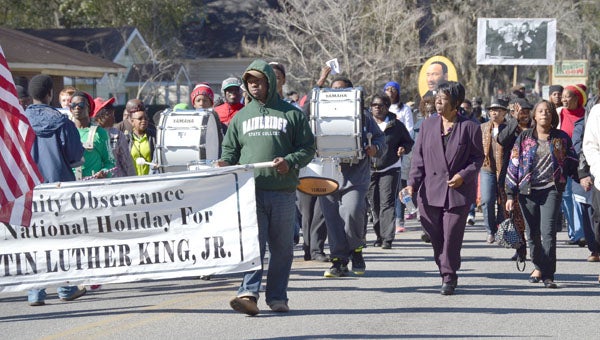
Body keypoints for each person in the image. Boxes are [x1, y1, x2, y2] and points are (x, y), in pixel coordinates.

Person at [217, 59, 315, 316]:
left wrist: (290, 161)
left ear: (270, 82)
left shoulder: (291, 113)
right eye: (250, 82)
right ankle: (248, 294)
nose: (254, 86)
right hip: (251, 192)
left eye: (258, 81)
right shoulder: (241, 118)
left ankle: (277, 297)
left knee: (282, 248)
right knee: (253, 245)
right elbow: (230, 149)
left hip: (282, 191)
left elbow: (308, 148)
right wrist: (225, 162)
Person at [404, 81, 484, 295]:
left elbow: (478, 158)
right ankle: (444, 269)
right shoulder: (428, 125)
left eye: (443, 99)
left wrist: (463, 176)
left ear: (456, 103)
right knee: (436, 236)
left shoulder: (470, 127)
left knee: (451, 237)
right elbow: (418, 158)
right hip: (430, 191)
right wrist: (412, 184)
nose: (438, 102)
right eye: (436, 98)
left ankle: (449, 276)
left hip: (457, 192)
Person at [23, 74, 86, 306]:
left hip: (28, 189)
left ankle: (35, 292)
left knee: (32, 241)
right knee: (59, 239)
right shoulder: (63, 122)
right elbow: (75, 157)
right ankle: (65, 287)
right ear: (50, 93)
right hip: (58, 187)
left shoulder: (18, 121)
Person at [505, 100, 578, 289]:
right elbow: (514, 164)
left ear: (552, 115)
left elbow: (572, 161)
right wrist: (510, 195)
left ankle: (548, 275)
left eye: (547, 111)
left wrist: (583, 177)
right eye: (540, 111)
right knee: (532, 234)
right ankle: (537, 266)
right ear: (535, 116)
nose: (544, 113)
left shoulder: (561, 138)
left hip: (552, 190)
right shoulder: (524, 138)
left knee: (549, 234)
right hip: (527, 192)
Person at [320, 76, 384, 278]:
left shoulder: (363, 115)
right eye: (333, 90)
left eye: (342, 90)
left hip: (355, 173)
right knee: (332, 219)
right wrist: (319, 84)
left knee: (352, 211)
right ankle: (338, 260)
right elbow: (304, 114)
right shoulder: (320, 112)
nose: (336, 94)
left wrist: (376, 148)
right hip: (328, 173)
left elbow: (381, 139)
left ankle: (356, 250)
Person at [368, 93, 413, 249]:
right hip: (369, 170)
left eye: (380, 106)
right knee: (374, 204)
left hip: (390, 168)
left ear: (387, 107)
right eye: (374, 105)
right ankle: (379, 235)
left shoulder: (396, 125)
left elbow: (408, 142)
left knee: (387, 203)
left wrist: (403, 148)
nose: (377, 109)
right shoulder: (365, 124)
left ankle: (387, 238)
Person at [496, 98, 533, 263]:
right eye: (519, 111)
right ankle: (521, 248)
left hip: (532, 178)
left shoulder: (537, 128)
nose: (523, 114)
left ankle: (536, 248)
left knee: (531, 216)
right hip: (510, 178)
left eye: (526, 111)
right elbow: (502, 140)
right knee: (514, 215)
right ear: (512, 112)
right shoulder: (507, 127)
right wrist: (514, 121)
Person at [383, 81, 415, 231]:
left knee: (400, 185)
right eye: (387, 89)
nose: (390, 92)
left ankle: (400, 220)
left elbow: (409, 130)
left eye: (393, 89)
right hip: (384, 153)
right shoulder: (381, 109)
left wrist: (403, 146)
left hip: (400, 151)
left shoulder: (405, 109)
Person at [558, 84, 587, 246]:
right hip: (562, 162)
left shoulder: (586, 115)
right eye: (562, 96)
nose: (564, 99)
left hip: (582, 162)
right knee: (567, 196)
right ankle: (575, 232)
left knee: (581, 197)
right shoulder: (558, 113)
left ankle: (582, 231)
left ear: (577, 98)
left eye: (567, 96)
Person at [479, 97, 509, 244]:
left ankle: (500, 228)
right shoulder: (483, 128)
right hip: (487, 167)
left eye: (498, 110)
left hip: (506, 169)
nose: (494, 113)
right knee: (487, 200)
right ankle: (490, 230)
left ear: (504, 113)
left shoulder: (510, 128)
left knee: (504, 200)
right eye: (492, 110)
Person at [70, 91, 115, 180]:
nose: (77, 108)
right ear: (70, 109)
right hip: (71, 186)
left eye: (81, 105)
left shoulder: (100, 133)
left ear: (89, 108)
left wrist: (104, 172)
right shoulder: (65, 132)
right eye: (73, 105)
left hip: (93, 186)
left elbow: (110, 162)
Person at [93, 97, 136, 177]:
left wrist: (133, 180)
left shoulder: (117, 135)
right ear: (98, 117)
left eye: (113, 114)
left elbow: (126, 161)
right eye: (109, 114)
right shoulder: (90, 135)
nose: (113, 118)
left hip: (116, 182)